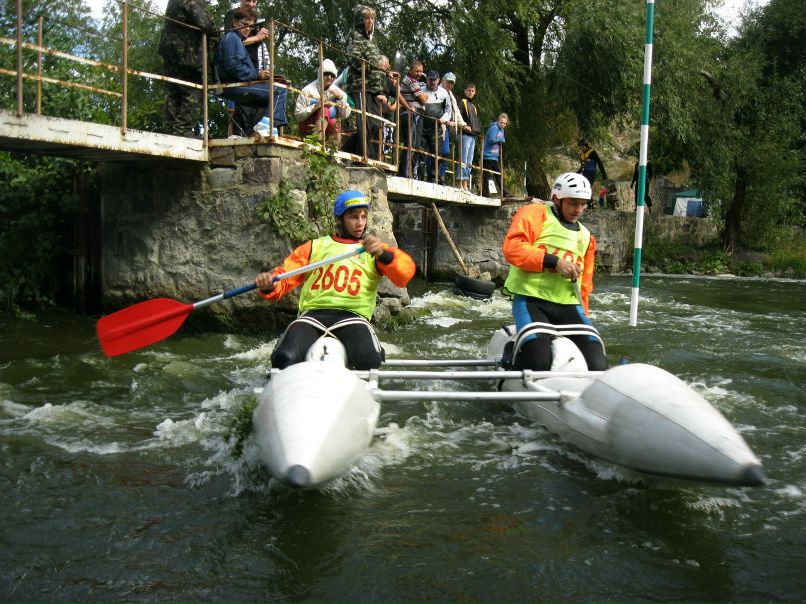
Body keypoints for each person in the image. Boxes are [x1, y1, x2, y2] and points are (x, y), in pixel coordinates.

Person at [255, 190, 416, 370]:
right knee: (284, 358)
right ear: (340, 219)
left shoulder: (375, 250)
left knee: (368, 360)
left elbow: (405, 274)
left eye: (363, 217)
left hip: (353, 318)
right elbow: (284, 277)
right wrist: (269, 285)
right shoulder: (314, 246)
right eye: (353, 217)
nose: (360, 223)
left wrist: (384, 255)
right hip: (312, 316)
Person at [502, 172, 609, 372]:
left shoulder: (586, 237)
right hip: (532, 300)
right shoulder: (534, 214)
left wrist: (585, 315)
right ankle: (511, 354)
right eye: (573, 204)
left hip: (569, 306)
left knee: (598, 363)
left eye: (583, 204)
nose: (578, 210)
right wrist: (554, 262)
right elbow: (513, 249)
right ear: (557, 200)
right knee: (539, 361)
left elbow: (585, 285)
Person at [214, 7, 288, 137]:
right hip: (232, 85)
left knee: (265, 99)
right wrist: (257, 75)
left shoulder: (236, 39)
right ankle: (266, 126)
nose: (247, 29)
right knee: (278, 89)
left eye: (251, 26)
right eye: (244, 24)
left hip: (235, 84)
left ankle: (244, 132)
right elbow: (234, 67)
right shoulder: (232, 38)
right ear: (234, 22)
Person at [158, 0, 219, 137]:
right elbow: (206, 23)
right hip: (187, 54)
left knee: (172, 92)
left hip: (170, 52)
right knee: (193, 92)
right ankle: (182, 130)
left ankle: (172, 130)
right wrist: (216, 32)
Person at [344, 5, 387, 160]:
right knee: (365, 125)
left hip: (374, 89)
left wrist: (383, 68)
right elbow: (355, 59)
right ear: (359, 20)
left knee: (375, 124)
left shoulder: (371, 40)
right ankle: (362, 157)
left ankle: (345, 151)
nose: (370, 21)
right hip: (360, 86)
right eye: (366, 18)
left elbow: (375, 60)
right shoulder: (355, 36)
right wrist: (376, 65)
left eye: (372, 18)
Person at [294, 58, 351, 144]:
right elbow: (298, 116)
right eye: (326, 74)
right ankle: (318, 143)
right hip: (307, 130)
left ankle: (333, 148)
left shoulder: (338, 92)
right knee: (324, 110)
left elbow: (345, 115)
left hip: (327, 131)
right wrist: (316, 106)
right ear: (320, 74)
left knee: (335, 122)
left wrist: (340, 99)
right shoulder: (307, 90)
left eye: (332, 75)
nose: (329, 77)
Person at [397, 60, 428, 178]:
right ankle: (406, 173)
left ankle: (408, 172)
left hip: (415, 114)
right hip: (413, 114)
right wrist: (425, 95)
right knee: (412, 143)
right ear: (410, 70)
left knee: (414, 144)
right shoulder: (411, 81)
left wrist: (423, 95)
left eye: (421, 71)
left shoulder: (415, 82)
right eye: (416, 71)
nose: (419, 74)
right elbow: (423, 99)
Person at [420, 71, 451, 183]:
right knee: (420, 152)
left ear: (438, 80)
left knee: (436, 153)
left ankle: (433, 178)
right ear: (427, 80)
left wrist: (443, 119)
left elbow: (448, 110)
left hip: (436, 127)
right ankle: (419, 175)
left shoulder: (444, 93)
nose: (432, 82)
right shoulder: (421, 90)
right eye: (430, 79)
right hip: (422, 126)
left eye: (434, 80)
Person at [437, 72, 466, 186]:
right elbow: (436, 109)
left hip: (448, 128)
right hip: (439, 125)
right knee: (438, 151)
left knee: (446, 152)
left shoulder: (451, 95)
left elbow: (456, 111)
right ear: (442, 80)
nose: (450, 85)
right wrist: (445, 120)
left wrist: (463, 124)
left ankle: (441, 176)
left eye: (452, 83)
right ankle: (433, 175)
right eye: (448, 82)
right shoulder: (438, 91)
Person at [458, 82, 481, 191]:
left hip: (472, 136)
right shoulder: (462, 102)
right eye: (469, 90)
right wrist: (463, 126)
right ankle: (460, 183)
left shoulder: (474, 106)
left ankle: (465, 184)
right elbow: (458, 117)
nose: (471, 92)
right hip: (464, 135)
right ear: (465, 91)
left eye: (473, 91)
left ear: (475, 92)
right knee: (463, 159)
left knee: (469, 161)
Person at [482, 113, 507, 197]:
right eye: (501, 122)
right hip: (487, 155)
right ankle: (485, 193)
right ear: (498, 121)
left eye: (504, 123)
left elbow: (503, 139)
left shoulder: (502, 130)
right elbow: (491, 140)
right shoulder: (494, 127)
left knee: (498, 174)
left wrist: (501, 140)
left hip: (495, 157)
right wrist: (500, 139)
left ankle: (504, 192)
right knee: (486, 175)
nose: (502, 125)